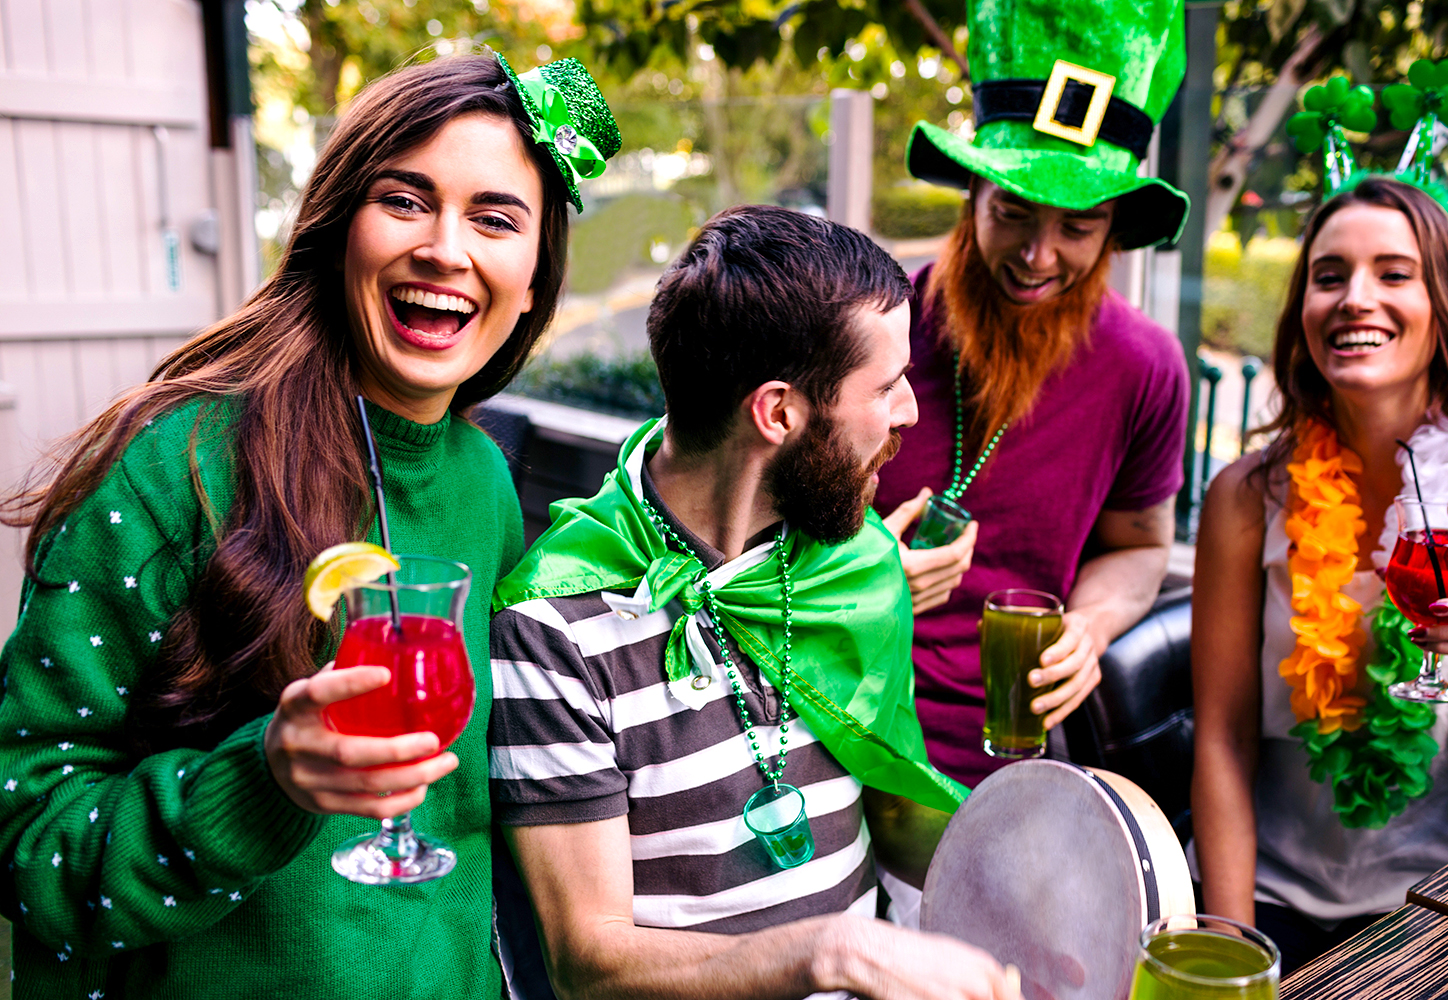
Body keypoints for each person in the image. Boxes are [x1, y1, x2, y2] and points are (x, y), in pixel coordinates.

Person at [0, 52, 619, 997]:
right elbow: (26, 842)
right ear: (338, 233)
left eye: (495, 219)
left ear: (534, 282)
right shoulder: (183, 467)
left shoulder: (486, 480)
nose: (447, 249)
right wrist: (259, 787)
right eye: (405, 201)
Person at [487, 205, 1022, 1000]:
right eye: (886, 386)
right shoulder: (550, 630)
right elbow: (586, 965)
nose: (908, 411)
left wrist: (1063, 872)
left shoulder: (852, 567)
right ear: (778, 413)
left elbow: (896, 814)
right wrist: (829, 952)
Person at [1190, 175, 1448, 973]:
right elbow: (1223, 741)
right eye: (1329, 275)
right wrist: (1234, 956)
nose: (1354, 298)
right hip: (1266, 900)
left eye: (1394, 272)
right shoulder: (1245, 495)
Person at [873, 0, 1193, 790]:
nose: (1038, 256)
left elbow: (1140, 546)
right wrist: (860, 570)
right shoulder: (868, 329)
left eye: (1079, 227)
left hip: (1005, 760)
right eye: (1013, 212)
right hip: (829, 726)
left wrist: (1093, 624)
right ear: (973, 196)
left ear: (1115, 228)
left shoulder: (1146, 367)